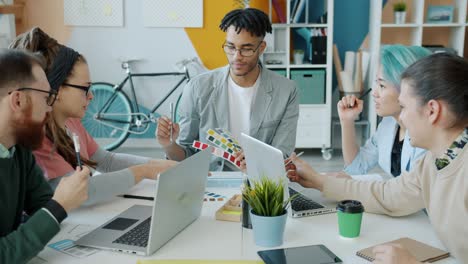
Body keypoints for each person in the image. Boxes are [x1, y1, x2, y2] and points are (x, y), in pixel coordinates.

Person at [288, 53, 468, 263]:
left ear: (432, 111)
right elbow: (388, 194)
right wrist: (319, 181)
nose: (401, 117)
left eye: (404, 108)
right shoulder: (433, 162)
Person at [9, 27, 177, 205]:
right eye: (85, 88)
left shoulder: (71, 122)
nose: (91, 96)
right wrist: (144, 171)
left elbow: (106, 161)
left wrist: (158, 165)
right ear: (56, 89)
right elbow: (85, 191)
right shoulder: (37, 139)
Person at [156, 8, 299, 171]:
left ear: (261, 47)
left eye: (246, 49)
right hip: (211, 182)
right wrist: (168, 145)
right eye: (230, 47)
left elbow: (283, 153)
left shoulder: (286, 90)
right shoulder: (197, 88)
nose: (237, 56)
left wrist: (258, 159)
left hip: (262, 181)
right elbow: (185, 156)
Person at [0, 49, 90, 263]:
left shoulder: (18, 149)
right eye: (45, 97)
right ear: (18, 101)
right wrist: (60, 204)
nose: (49, 109)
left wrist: (62, 201)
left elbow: (41, 204)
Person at [338, 45, 430, 177]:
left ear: (407, 88)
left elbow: (414, 192)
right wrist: (347, 121)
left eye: (382, 85)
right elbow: (357, 167)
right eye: (376, 83)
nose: (374, 93)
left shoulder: (426, 136)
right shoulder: (389, 123)